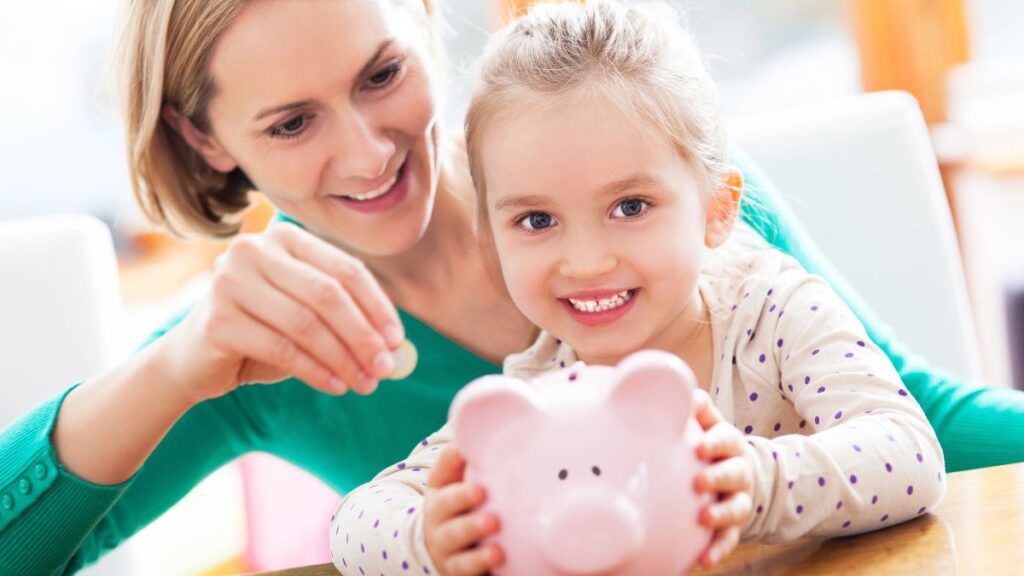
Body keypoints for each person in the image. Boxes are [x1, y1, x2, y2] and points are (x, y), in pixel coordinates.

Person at [0, 0, 1018, 573]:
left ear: (427, 22)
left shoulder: (657, 193)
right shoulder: (260, 346)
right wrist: (174, 370)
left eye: (380, 74)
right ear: (206, 140)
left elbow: (919, 428)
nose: (367, 151)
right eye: (290, 123)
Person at [328, 3, 944, 575]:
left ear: (715, 209)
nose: (588, 262)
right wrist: (430, 537)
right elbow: (352, 520)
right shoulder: (535, 393)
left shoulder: (774, 311)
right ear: (491, 242)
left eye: (631, 206)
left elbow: (910, 456)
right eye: (537, 221)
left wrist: (754, 482)